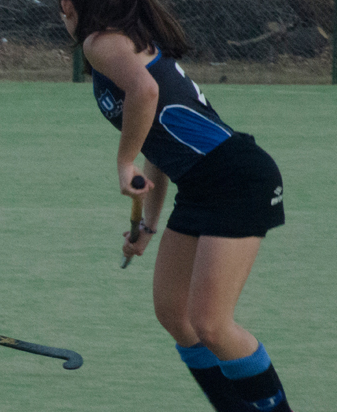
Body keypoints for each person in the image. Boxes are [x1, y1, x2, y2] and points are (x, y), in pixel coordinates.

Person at [58, 1, 292, 411]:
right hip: (201, 186)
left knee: (211, 324)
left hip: (236, 179)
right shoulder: (123, 43)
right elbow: (157, 145)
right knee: (173, 313)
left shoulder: (100, 43)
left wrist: (123, 162)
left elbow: (146, 92)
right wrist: (147, 227)